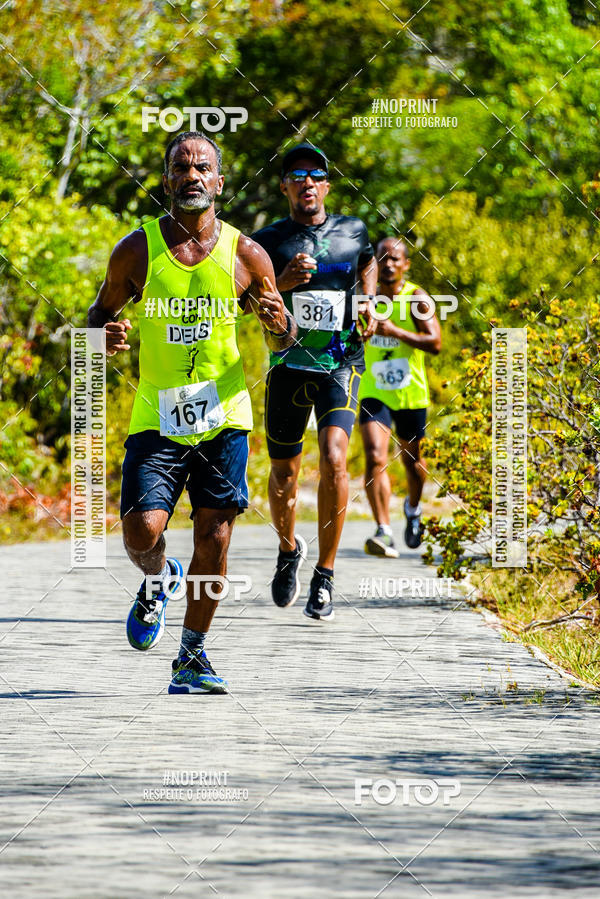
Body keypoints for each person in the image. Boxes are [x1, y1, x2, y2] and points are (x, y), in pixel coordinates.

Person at [87, 131, 296, 694]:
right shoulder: (136, 250)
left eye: (203, 167)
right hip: (157, 415)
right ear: (166, 181)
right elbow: (95, 315)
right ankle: (158, 578)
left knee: (217, 535)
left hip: (224, 414)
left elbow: (281, 340)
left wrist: (279, 327)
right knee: (139, 531)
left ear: (220, 182)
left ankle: (191, 655)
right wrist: (102, 335)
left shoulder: (247, 255)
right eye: (182, 168)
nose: (192, 176)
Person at [252, 142, 377, 621]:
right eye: (297, 175)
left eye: (316, 174)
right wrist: (281, 282)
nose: (307, 182)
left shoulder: (353, 229)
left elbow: (365, 264)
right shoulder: (266, 241)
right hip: (288, 367)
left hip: (341, 362)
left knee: (334, 459)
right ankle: (288, 549)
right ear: (284, 186)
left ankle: (324, 574)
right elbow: (247, 297)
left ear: (326, 184)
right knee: (284, 473)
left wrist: (366, 303)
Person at [359, 237, 441, 556]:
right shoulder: (364, 298)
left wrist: (394, 331)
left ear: (406, 264)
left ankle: (413, 507)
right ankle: (383, 530)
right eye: (383, 259)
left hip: (409, 391)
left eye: (396, 259)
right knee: (375, 456)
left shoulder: (416, 297)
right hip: (373, 389)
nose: (389, 264)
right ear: (375, 264)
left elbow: (435, 342)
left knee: (412, 461)